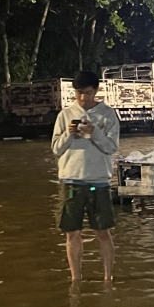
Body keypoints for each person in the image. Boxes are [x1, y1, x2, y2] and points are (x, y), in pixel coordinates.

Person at [51, 70, 120, 283]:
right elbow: (55, 148)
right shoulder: (64, 115)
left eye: (88, 93)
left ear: (97, 90)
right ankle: (75, 279)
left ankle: (108, 278)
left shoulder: (108, 115)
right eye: (79, 93)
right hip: (71, 180)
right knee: (71, 232)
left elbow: (111, 148)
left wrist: (93, 132)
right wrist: (69, 134)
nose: (83, 98)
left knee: (103, 232)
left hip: (99, 181)